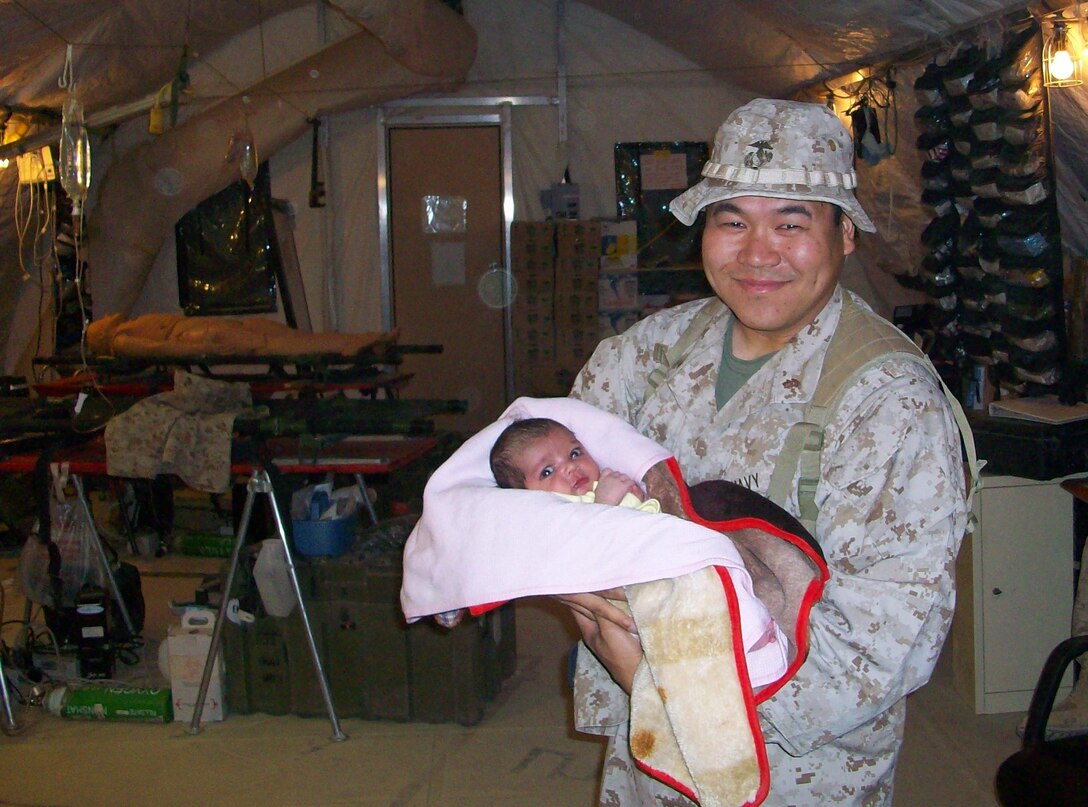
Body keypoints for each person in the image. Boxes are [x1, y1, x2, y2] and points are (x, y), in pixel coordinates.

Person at [560, 98, 971, 805]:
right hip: (647, 766)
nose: (758, 253)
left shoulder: (890, 403)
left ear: (845, 235)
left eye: (791, 222)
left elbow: (883, 643)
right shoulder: (641, 358)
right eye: (732, 221)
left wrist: (664, 688)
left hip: (788, 771)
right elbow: (548, 504)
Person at [489, 416, 661, 512]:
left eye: (574, 453)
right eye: (547, 471)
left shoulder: (603, 483)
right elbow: (582, 550)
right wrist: (604, 503)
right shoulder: (552, 514)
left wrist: (635, 497)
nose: (570, 467)